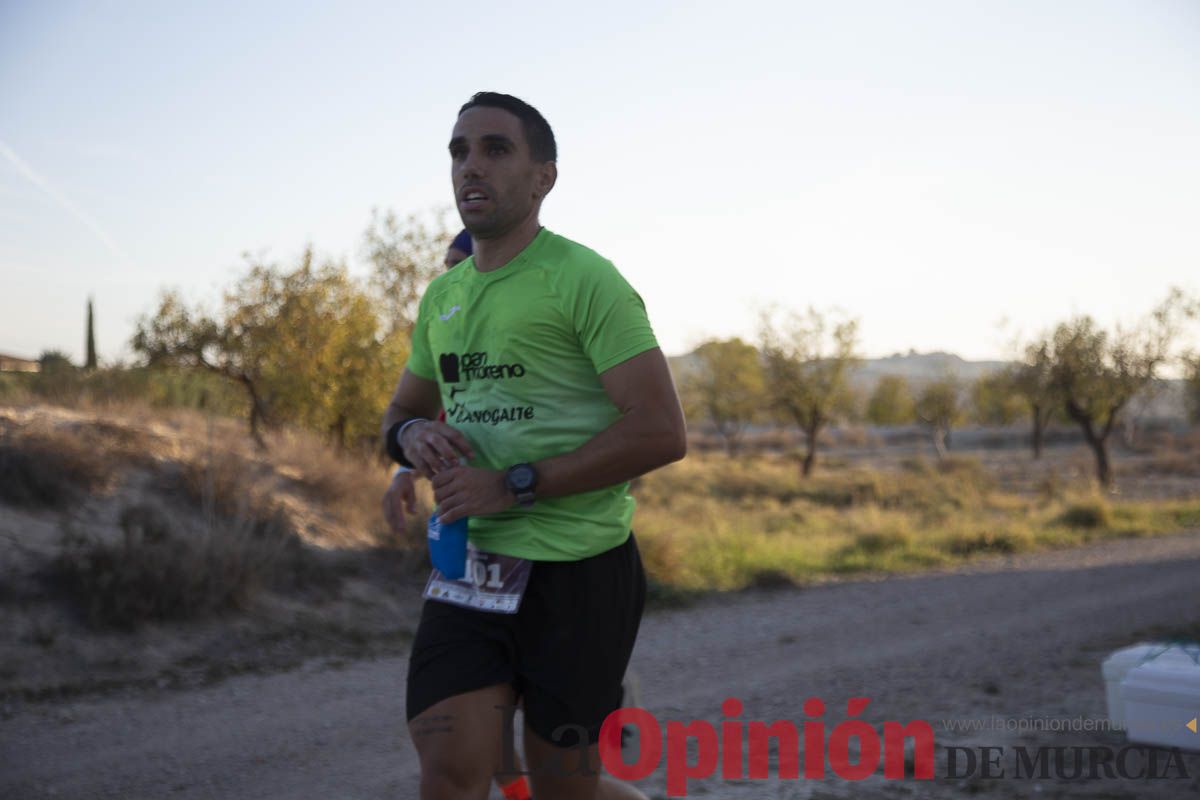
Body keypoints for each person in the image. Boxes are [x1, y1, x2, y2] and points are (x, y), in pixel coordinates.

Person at [382, 91, 686, 799]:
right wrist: (413, 436)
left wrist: (513, 483)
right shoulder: (442, 297)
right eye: (459, 151)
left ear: (543, 176)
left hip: (581, 572)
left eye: (495, 149)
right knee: (450, 771)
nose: (471, 166)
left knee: (560, 789)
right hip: (472, 567)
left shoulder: (584, 279)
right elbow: (399, 415)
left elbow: (661, 431)